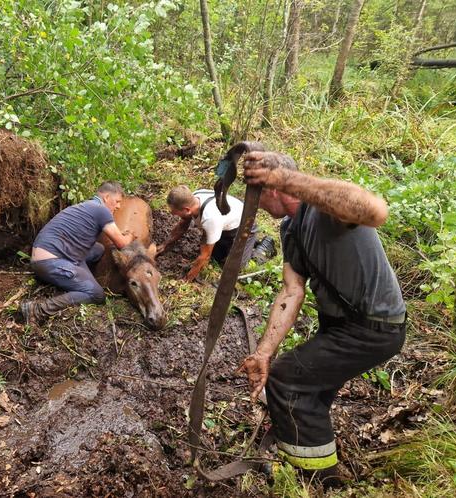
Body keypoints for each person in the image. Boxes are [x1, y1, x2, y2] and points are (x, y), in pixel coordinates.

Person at [237, 151, 406, 488]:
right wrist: (264, 352)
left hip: (373, 327)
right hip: (341, 326)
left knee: (287, 380)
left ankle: (321, 481)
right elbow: (291, 291)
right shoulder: (290, 229)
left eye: (256, 193)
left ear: (272, 187)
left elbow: (374, 210)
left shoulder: (326, 209)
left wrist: (287, 180)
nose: (252, 203)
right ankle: (307, 449)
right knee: (307, 387)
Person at [20, 181, 135, 324]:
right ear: (106, 197)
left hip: (46, 255)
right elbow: (121, 243)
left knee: (98, 250)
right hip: (50, 262)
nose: (118, 206)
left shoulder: (86, 206)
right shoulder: (102, 210)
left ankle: (80, 277)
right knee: (97, 295)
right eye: (117, 201)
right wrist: (130, 236)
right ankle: (38, 309)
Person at [156, 185, 258, 281]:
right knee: (216, 257)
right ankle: (233, 244)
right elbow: (182, 225)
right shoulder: (193, 199)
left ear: (187, 210)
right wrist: (165, 245)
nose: (172, 213)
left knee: (234, 267)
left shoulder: (210, 218)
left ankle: (262, 248)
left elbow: (205, 256)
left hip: (245, 225)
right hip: (224, 223)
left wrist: (187, 279)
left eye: (174, 211)